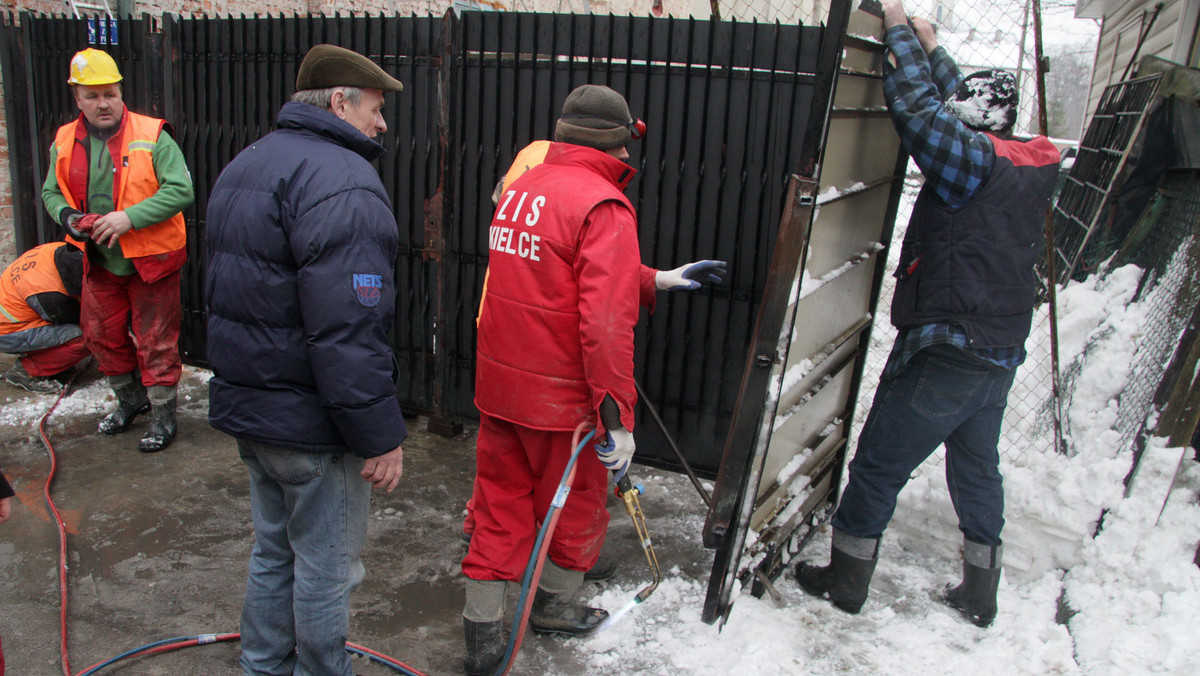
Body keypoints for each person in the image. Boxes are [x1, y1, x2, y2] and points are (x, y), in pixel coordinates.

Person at [794, 0, 1060, 630]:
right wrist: (930, 40)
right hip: (997, 347)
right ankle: (979, 590)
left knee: (880, 462)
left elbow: (919, 110)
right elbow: (954, 107)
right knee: (975, 467)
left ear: (977, 121)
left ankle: (847, 580)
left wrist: (892, 27)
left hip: (950, 345)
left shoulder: (970, 161)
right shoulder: (1022, 160)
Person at [205, 44, 407, 676]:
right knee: (327, 568)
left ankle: (262, 665)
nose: (381, 124)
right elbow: (349, 327)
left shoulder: (249, 163)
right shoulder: (343, 181)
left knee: (274, 552)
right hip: (312, 425)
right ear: (340, 102)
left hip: (255, 410)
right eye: (375, 108)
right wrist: (378, 436)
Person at [461, 84, 664, 676]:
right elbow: (604, 324)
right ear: (618, 143)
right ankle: (555, 606)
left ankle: (480, 632)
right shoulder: (604, 206)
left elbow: (542, 279)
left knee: (499, 503)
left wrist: (653, 279)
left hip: (501, 387)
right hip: (562, 401)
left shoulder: (521, 188)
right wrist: (616, 417)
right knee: (576, 502)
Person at [42, 48, 194, 453]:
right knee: (101, 336)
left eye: (109, 93)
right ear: (78, 99)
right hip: (100, 263)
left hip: (151, 262)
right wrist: (70, 218)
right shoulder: (63, 140)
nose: (102, 103)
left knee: (156, 341)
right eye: (92, 96)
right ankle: (131, 402)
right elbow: (50, 191)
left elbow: (182, 190)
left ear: (121, 92)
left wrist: (129, 218)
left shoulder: (152, 134)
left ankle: (163, 418)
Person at [1, 242, 90, 394]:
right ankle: (25, 371)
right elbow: (81, 320)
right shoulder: (50, 296)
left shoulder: (62, 249)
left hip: (17, 314)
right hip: (9, 332)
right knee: (89, 336)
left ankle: (53, 362)